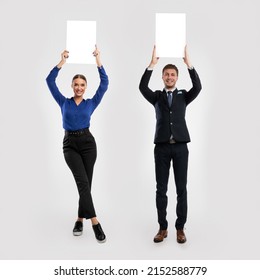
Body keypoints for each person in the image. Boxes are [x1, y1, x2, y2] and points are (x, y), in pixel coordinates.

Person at [139, 45, 202, 244]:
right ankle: (162, 227)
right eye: (166, 74)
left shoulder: (184, 95)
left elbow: (198, 87)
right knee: (161, 189)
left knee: (181, 188)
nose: (169, 77)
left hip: (181, 147)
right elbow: (142, 87)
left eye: (172, 74)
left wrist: (188, 64)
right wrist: (152, 64)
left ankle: (180, 228)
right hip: (162, 148)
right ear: (163, 77)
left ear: (177, 77)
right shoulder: (157, 96)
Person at [46, 46, 109, 243]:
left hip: (89, 144)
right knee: (82, 183)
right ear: (72, 86)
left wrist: (98, 60)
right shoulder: (63, 102)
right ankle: (95, 222)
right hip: (70, 145)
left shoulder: (91, 102)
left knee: (86, 185)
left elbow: (105, 84)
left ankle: (79, 219)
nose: (79, 87)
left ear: (85, 87)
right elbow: (49, 81)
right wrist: (62, 62)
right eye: (76, 84)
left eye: (82, 84)